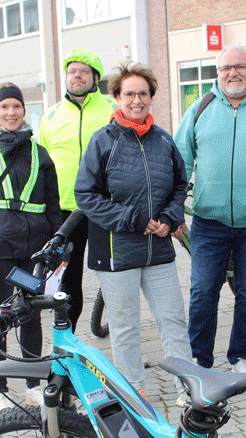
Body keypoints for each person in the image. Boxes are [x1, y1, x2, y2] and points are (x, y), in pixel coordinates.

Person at [75, 62, 193, 403]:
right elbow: (86, 195)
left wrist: (170, 218)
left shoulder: (163, 141)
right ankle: (131, 391)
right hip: (116, 251)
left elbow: (179, 185)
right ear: (117, 97)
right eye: (129, 93)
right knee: (125, 326)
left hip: (158, 249)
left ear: (151, 97)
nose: (136, 100)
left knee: (172, 319)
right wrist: (134, 219)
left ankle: (186, 387)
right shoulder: (103, 141)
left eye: (143, 93)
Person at [0, 83, 64, 411]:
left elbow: (52, 209)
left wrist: (58, 254)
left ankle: (33, 385)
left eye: (16, 107)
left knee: (31, 318)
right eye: (4, 107)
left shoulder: (39, 153)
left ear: (23, 110)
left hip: (33, 253)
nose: (11, 113)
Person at [174, 44, 246, 375]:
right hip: (209, 221)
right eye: (226, 68)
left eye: (241, 66)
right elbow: (181, 160)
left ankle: (242, 357)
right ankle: (199, 358)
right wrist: (173, 208)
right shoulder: (201, 107)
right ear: (218, 73)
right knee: (203, 291)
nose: (233, 73)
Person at [38, 48, 118, 331]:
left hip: (104, 208)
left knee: (114, 275)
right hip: (65, 211)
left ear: (95, 77)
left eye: (84, 71)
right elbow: (42, 165)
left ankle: (123, 338)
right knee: (68, 281)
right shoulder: (51, 116)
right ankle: (67, 345)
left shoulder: (112, 109)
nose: (78, 76)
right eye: (72, 71)